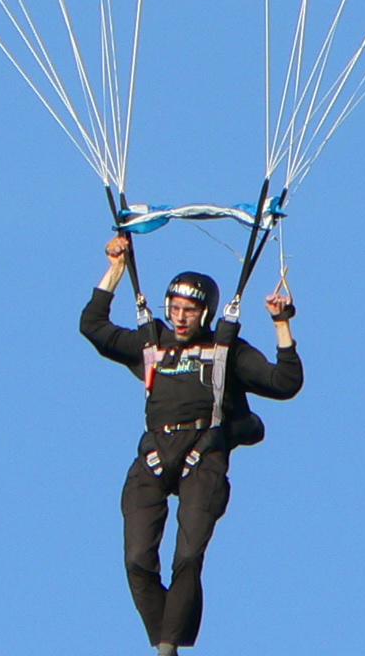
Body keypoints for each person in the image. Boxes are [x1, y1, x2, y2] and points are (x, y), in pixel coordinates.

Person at [82, 234, 302, 653]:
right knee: (136, 560)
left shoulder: (225, 351)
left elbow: (284, 382)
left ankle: (168, 647)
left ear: (207, 313)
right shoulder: (152, 344)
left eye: (190, 311)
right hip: (153, 454)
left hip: (204, 455)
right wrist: (115, 270)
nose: (180, 318)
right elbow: (92, 327)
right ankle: (167, 632)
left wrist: (281, 324)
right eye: (175, 309)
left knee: (187, 556)